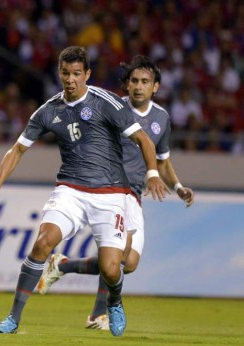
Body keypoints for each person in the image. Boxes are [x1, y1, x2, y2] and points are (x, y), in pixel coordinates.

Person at [0, 46, 167, 337]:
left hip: (111, 194)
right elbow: (16, 151)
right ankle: (12, 318)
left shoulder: (107, 103)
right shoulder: (49, 111)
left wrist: (152, 173)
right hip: (70, 190)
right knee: (42, 242)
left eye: (77, 73)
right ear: (59, 73)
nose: (71, 79)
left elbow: (144, 140)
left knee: (113, 268)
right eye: (66, 73)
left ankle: (114, 301)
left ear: (87, 74)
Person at [36, 55, 195, 330]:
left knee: (128, 263)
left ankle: (62, 266)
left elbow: (163, 159)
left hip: (135, 194)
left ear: (155, 87)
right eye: (134, 81)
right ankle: (98, 313)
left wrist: (178, 187)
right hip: (110, 189)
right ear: (127, 84)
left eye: (145, 82)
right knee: (117, 254)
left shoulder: (162, 118)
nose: (138, 86)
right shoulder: (110, 106)